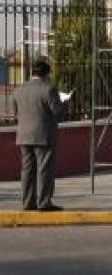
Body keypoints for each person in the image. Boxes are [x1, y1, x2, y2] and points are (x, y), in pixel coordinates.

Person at [12, 57, 65, 211]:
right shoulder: (48, 89)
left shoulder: (19, 90)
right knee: (44, 169)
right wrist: (64, 102)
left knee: (27, 170)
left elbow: (16, 113)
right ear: (46, 73)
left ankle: (27, 203)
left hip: (23, 136)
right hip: (44, 136)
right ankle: (44, 203)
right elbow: (57, 111)